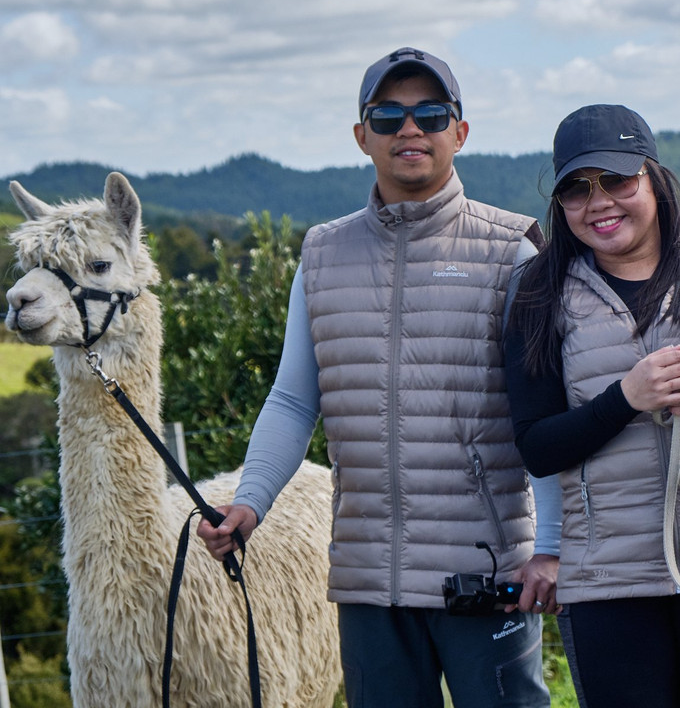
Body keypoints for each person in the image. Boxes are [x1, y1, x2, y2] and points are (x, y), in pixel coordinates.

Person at [198, 47, 557, 708]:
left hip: (485, 573)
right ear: (362, 136)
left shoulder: (511, 249)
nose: (409, 129)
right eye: (388, 115)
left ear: (460, 132)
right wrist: (249, 503)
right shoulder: (321, 253)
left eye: (430, 113)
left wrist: (552, 547)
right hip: (368, 582)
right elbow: (291, 399)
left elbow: (542, 410)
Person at [503, 104, 680, 708]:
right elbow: (538, 447)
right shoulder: (540, 298)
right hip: (606, 587)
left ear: (654, 179)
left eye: (618, 181)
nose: (599, 203)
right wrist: (625, 399)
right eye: (576, 188)